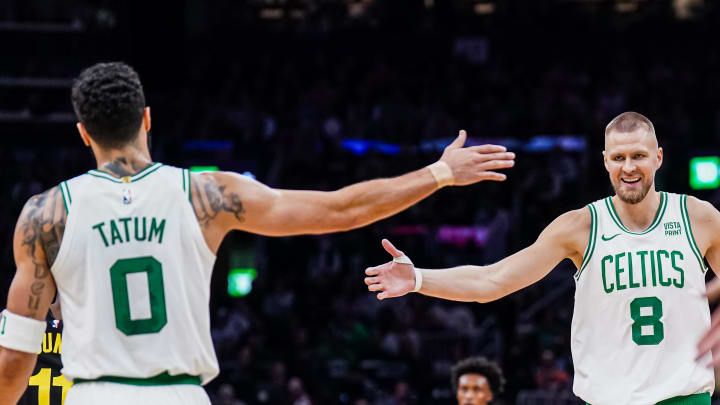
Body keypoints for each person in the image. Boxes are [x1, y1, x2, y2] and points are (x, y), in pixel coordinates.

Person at [0, 61, 515, 405]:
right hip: (179, 394)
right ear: (148, 119)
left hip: (94, 396)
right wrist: (440, 173)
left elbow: (16, 360)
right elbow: (340, 209)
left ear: (83, 133)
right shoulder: (208, 195)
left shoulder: (45, 214)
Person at [365, 111, 719, 405]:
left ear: (657, 157)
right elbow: (493, 280)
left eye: (638, 156)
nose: (629, 167)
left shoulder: (697, 217)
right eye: (619, 157)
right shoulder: (579, 227)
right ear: (605, 161)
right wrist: (419, 279)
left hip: (684, 397)